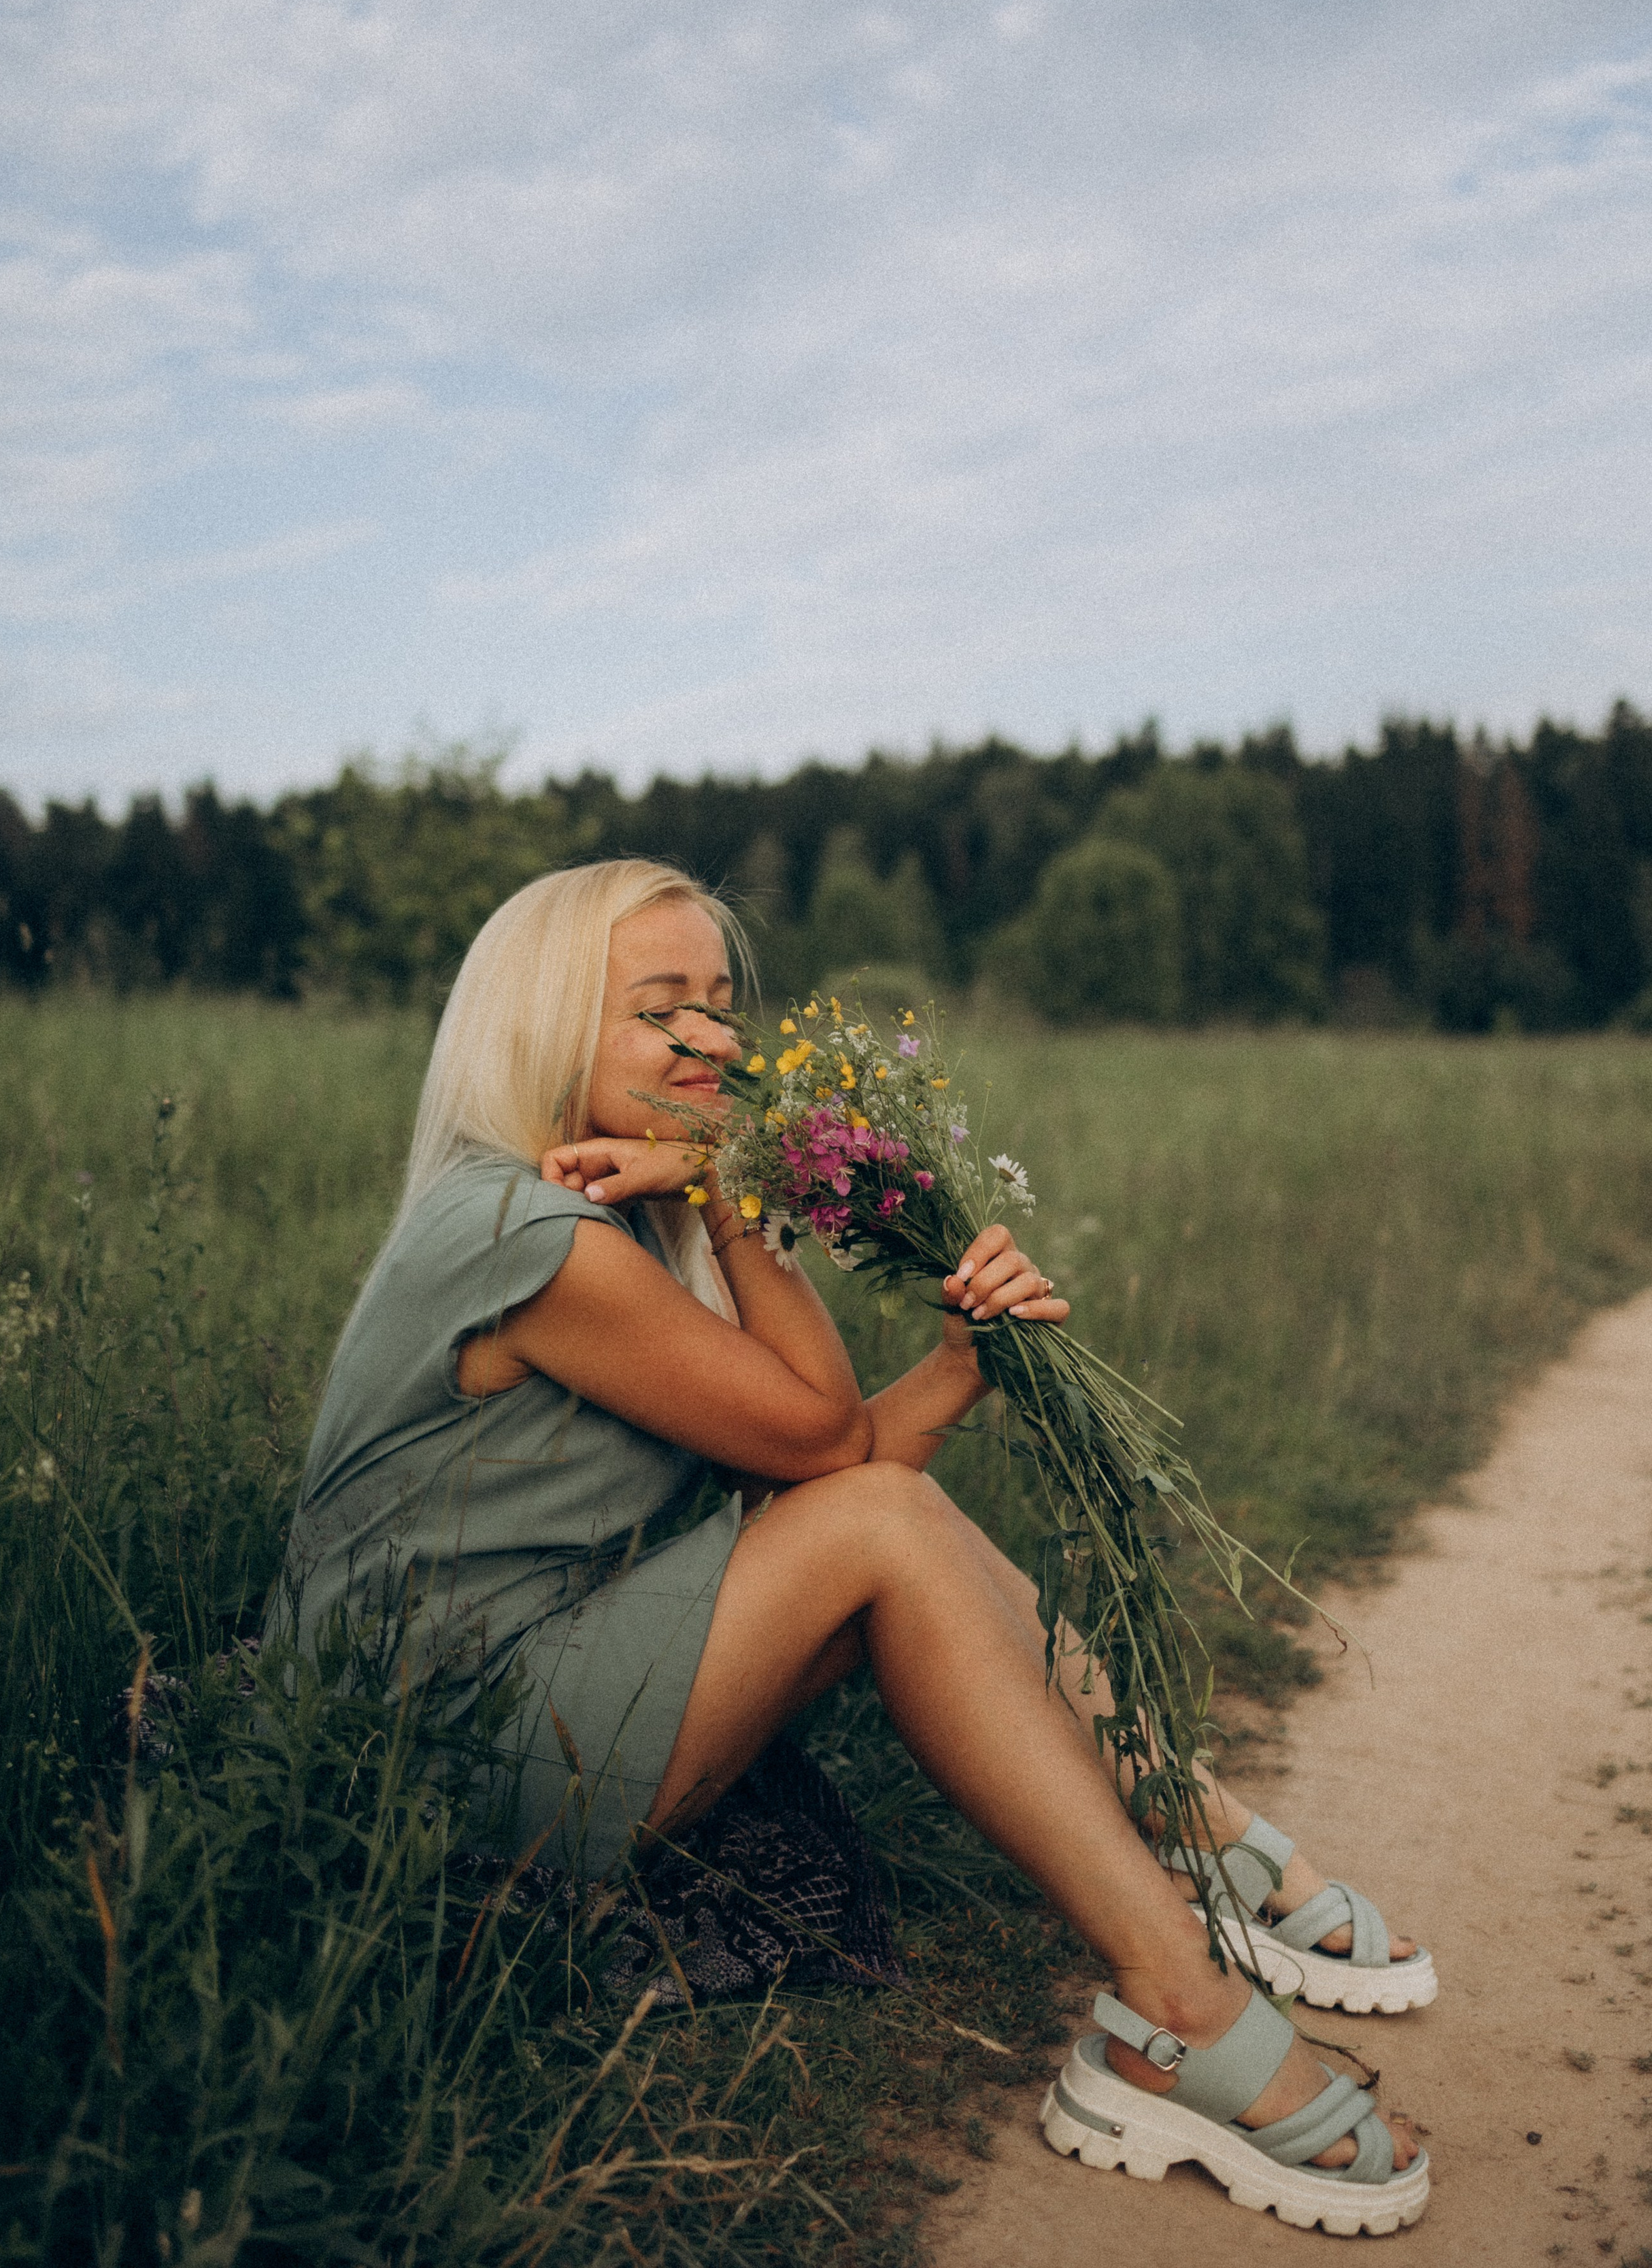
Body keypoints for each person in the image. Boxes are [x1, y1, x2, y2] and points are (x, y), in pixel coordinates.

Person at [280, 859, 1431, 2235]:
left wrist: (962, 1358)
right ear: (540, 1034)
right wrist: (730, 1189)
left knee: (900, 1523)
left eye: (721, 1004)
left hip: (541, 1691)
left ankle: (1187, 1832)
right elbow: (827, 1456)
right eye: (661, 1013)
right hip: (441, 1749)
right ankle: (1176, 1998)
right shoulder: (526, 1231)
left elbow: (819, 1486)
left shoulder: (602, 1217)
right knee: (881, 1519)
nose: (714, 1043)